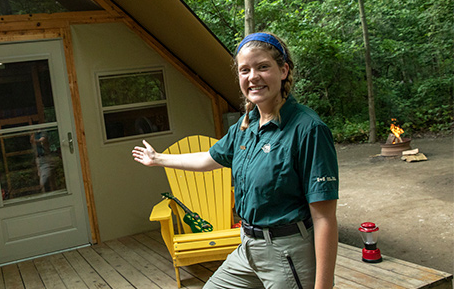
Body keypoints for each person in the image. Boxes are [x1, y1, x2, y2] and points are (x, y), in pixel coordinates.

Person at [132, 32, 339, 289]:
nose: (253, 77)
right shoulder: (247, 126)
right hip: (247, 249)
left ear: (284, 70)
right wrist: (158, 159)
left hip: (287, 254)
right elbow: (209, 158)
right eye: (245, 70)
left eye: (263, 67)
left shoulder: (307, 129)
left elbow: (324, 218)